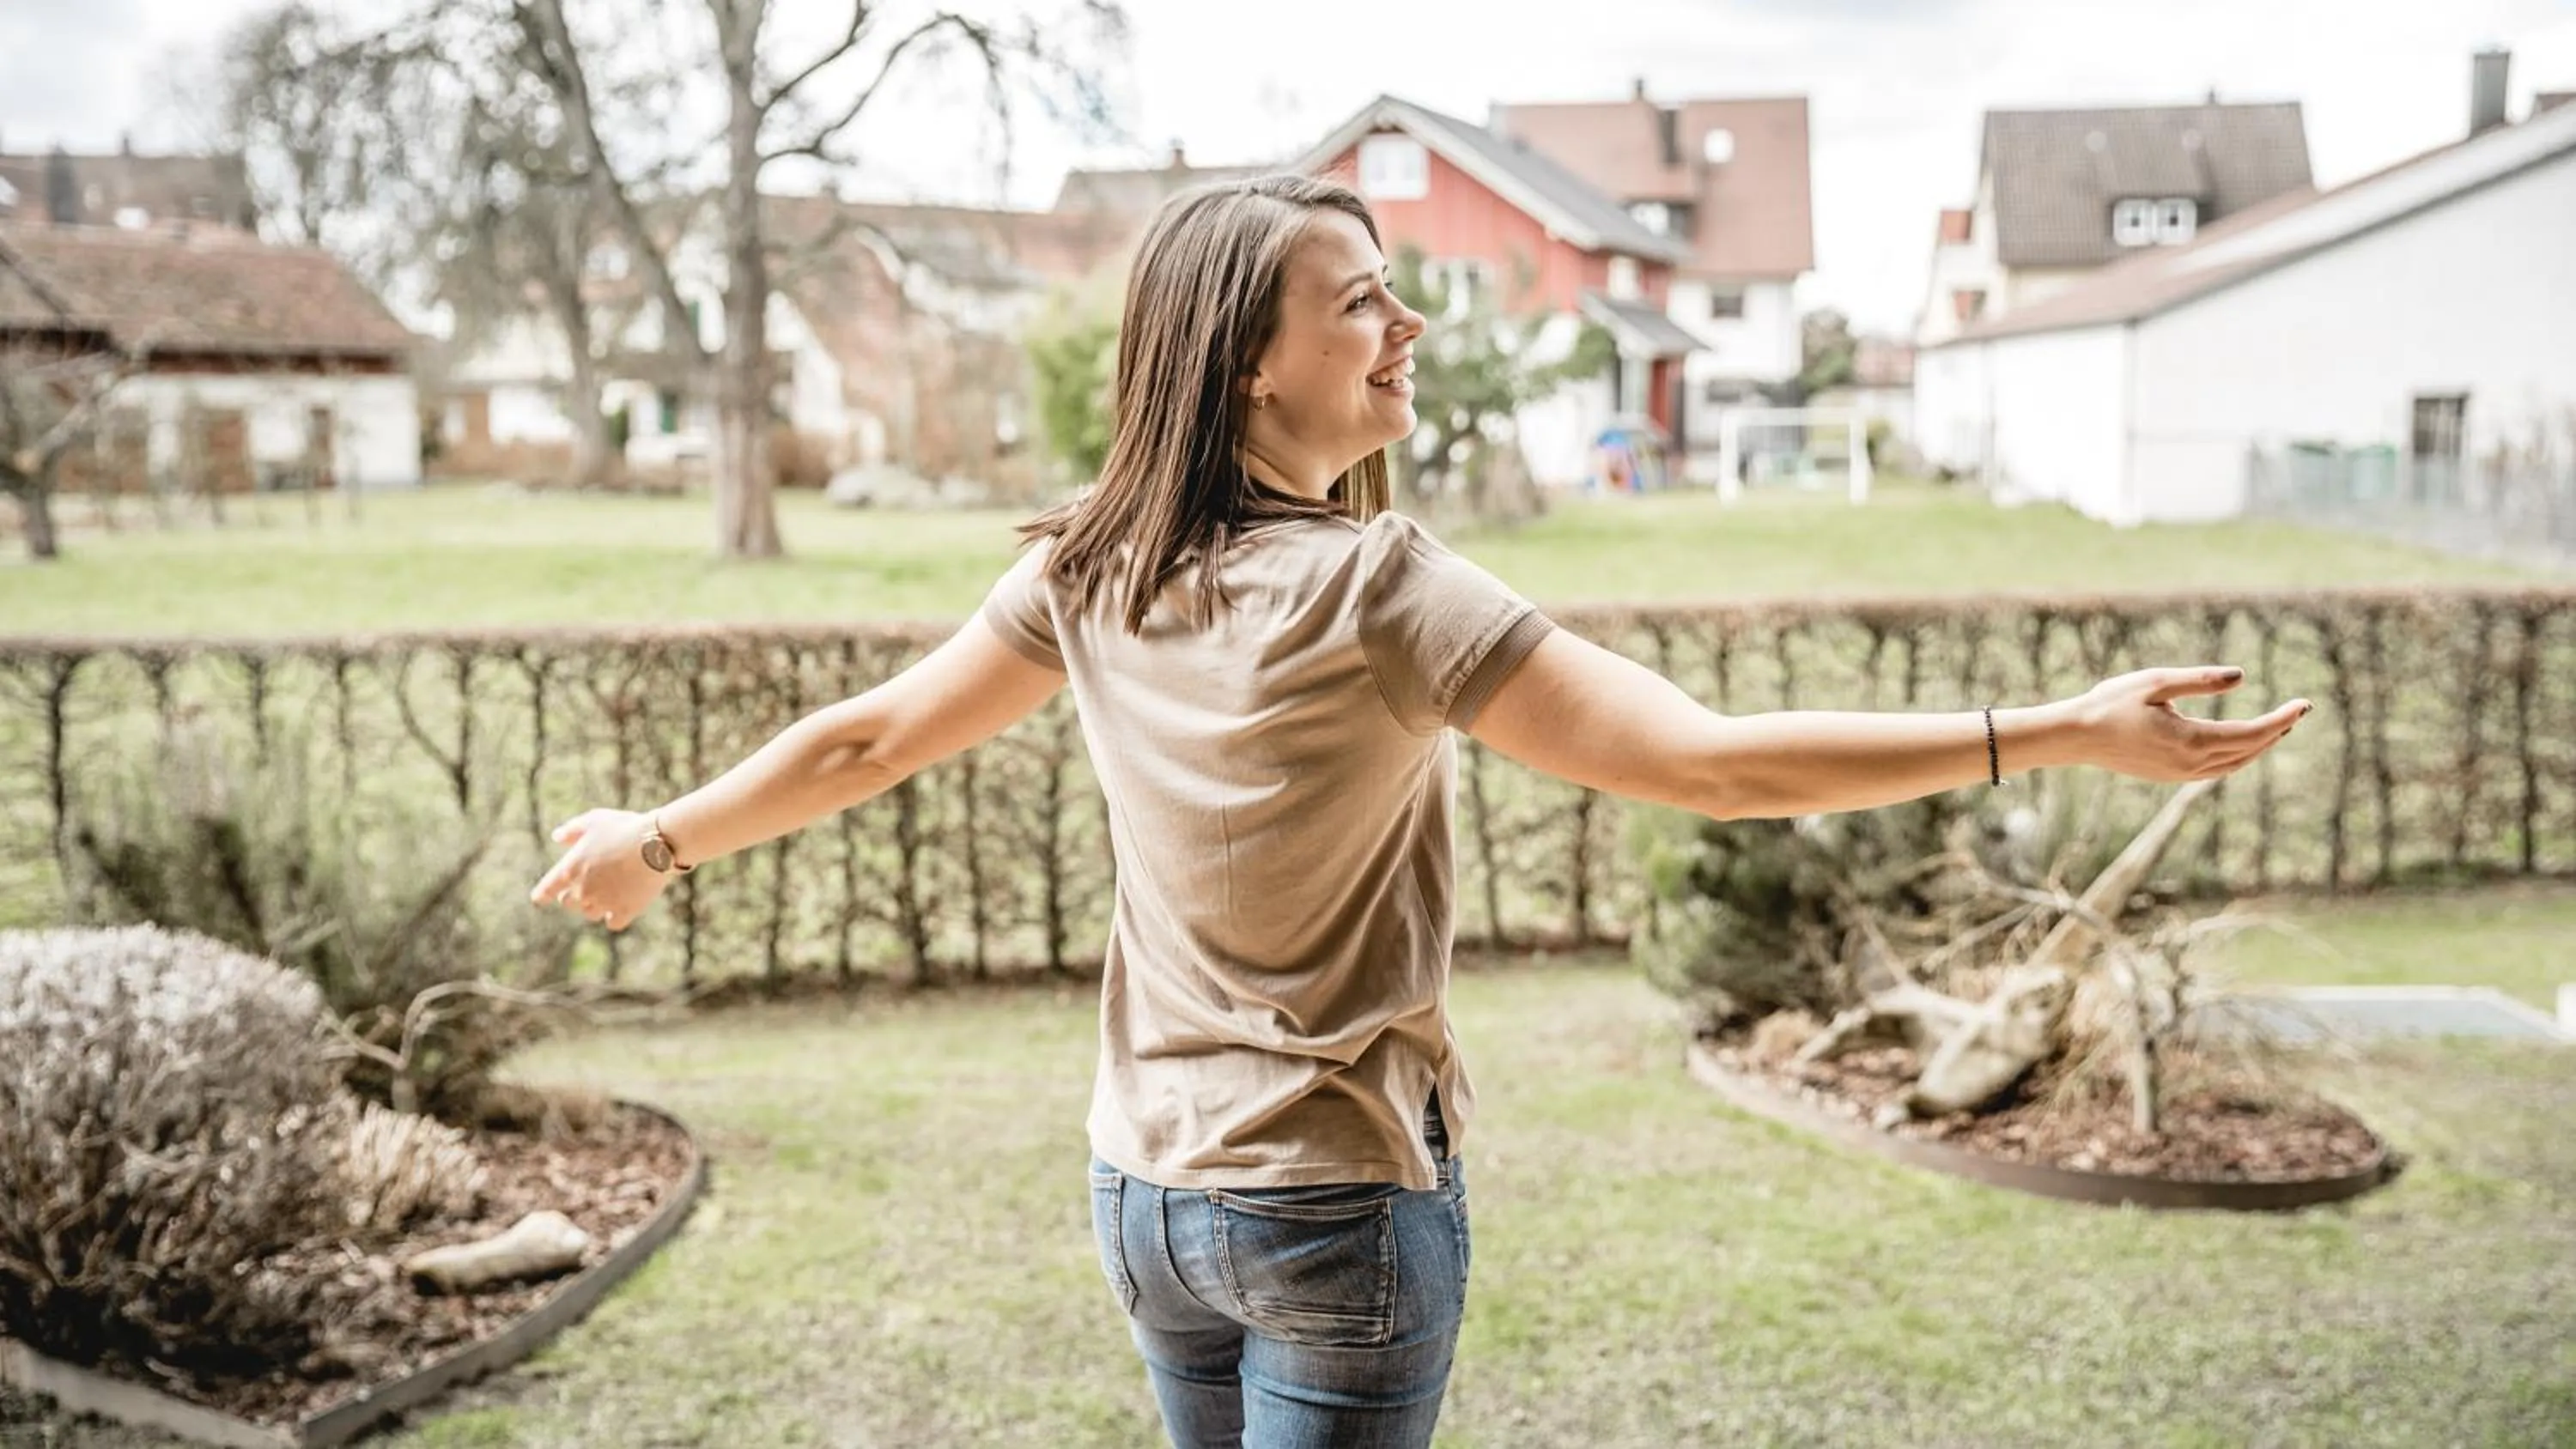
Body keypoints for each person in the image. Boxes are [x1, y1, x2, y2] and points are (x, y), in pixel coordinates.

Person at [529, 174, 2310, 1449]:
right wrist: (2055, 731)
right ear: (1249, 365)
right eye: (1364, 300)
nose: (1413, 323)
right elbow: (1709, 763)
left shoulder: (1092, 570)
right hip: (1332, 1209)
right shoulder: (1380, 585)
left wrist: (656, 838)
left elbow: (867, 742)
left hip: (1144, 1198)